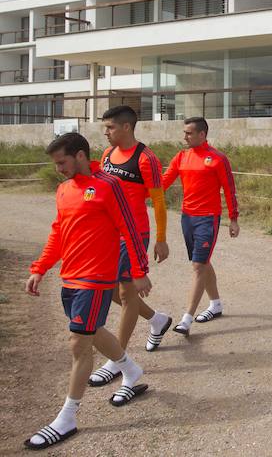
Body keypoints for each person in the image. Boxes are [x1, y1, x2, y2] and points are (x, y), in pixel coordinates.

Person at [24, 133, 150, 449]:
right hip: (70, 278)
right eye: (55, 164)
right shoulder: (63, 190)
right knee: (92, 332)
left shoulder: (107, 185)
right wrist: (40, 267)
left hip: (96, 280)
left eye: (62, 162)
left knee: (79, 344)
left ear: (80, 156)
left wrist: (138, 272)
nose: (58, 170)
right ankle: (131, 370)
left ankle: (67, 418)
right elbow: (58, 232)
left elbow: (129, 229)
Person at [87, 107, 172, 389]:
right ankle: (157, 319)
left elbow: (158, 202)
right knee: (109, 288)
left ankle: (117, 358)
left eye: (110, 127)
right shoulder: (107, 155)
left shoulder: (146, 159)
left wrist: (161, 238)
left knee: (126, 293)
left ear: (126, 127)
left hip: (134, 235)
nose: (106, 132)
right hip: (108, 234)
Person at [162, 117, 239, 334]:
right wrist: (137, 194)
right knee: (202, 263)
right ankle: (215, 304)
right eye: (184, 132)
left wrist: (233, 219)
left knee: (198, 266)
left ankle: (186, 319)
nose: (184, 137)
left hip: (208, 218)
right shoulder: (181, 157)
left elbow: (229, 189)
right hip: (187, 218)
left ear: (202, 134)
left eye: (189, 133)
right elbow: (163, 183)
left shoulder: (217, 158)